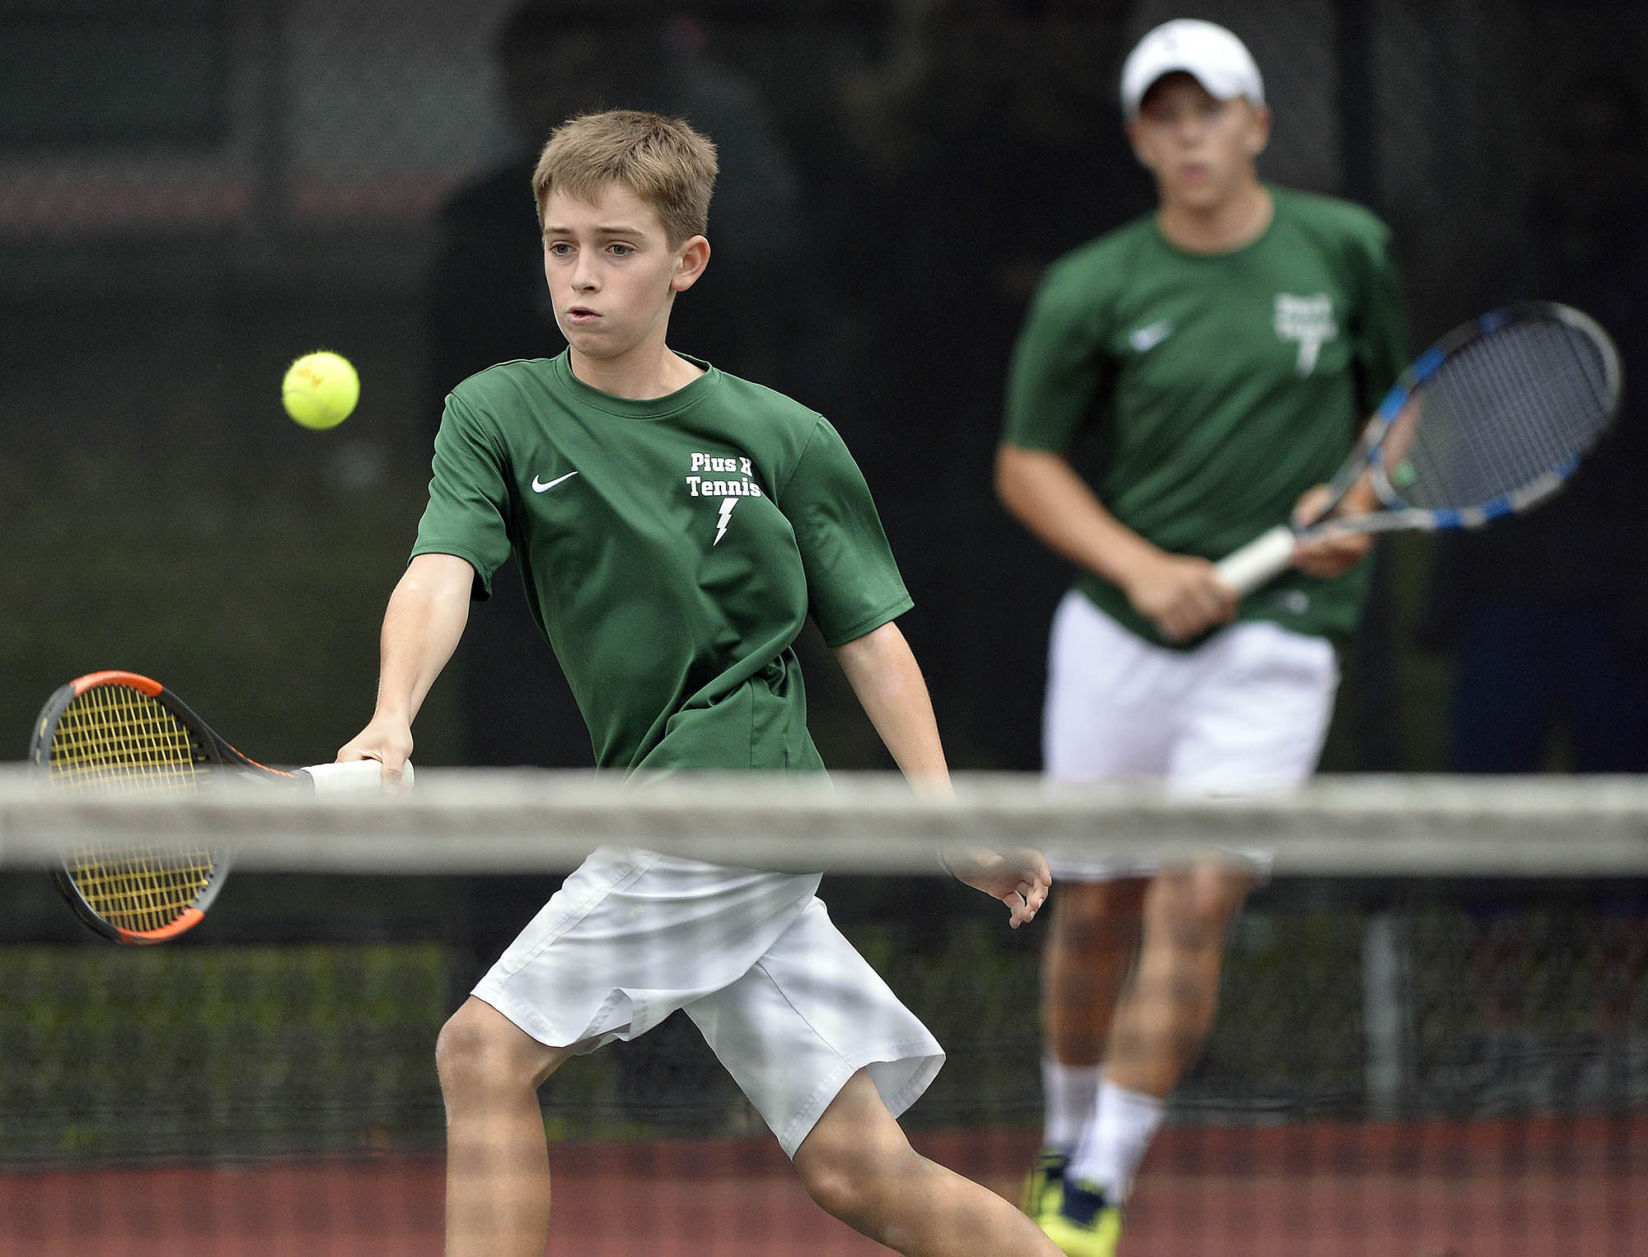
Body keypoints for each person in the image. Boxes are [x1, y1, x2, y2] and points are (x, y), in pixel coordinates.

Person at [339, 109, 1060, 1257]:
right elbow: (440, 571)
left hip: (733, 796)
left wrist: (942, 816)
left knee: (479, 1051)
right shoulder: (498, 412)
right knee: (856, 1167)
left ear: (687, 262)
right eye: (561, 244)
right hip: (695, 815)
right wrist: (390, 719)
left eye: (616, 248)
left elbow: (869, 637)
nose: (582, 275)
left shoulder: (785, 438)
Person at [994, 20, 1408, 1255]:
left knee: (1198, 895)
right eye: (1165, 116)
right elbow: (1025, 463)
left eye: (1211, 110)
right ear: (1138, 138)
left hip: (1281, 637)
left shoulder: (1346, 251)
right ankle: (1067, 1137)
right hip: (1119, 637)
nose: (1190, 135)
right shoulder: (1092, 287)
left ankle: (1095, 1188)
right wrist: (1143, 568)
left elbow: (1399, 414)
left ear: (1256, 124)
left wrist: (1362, 504)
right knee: (1096, 909)